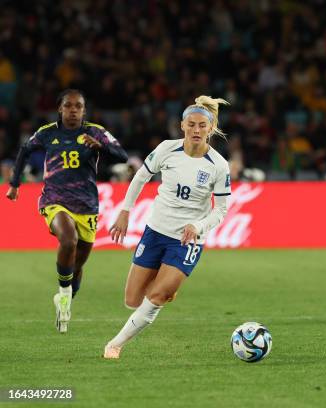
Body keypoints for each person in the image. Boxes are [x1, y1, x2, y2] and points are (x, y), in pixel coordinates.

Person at [103, 95, 231, 359]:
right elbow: (141, 177)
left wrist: (198, 224)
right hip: (156, 231)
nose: (196, 130)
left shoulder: (218, 165)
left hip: (188, 240)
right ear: (182, 125)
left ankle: (114, 345)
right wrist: (125, 211)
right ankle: (167, 288)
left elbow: (221, 209)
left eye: (202, 126)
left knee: (157, 296)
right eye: (191, 124)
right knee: (132, 300)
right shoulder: (166, 149)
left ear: (210, 128)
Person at [5, 89, 128, 333]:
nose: (73, 110)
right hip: (55, 200)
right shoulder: (48, 132)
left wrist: (100, 148)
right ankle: (63, 293)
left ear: (84, 110)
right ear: (60, 109)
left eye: (78, 106)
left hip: (87, 205)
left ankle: (65, 301)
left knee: (77, 265)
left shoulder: (95, 132)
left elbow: (122, 155)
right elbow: (24, 151)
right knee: (68, 240)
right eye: (69, 106)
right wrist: (15, 184)